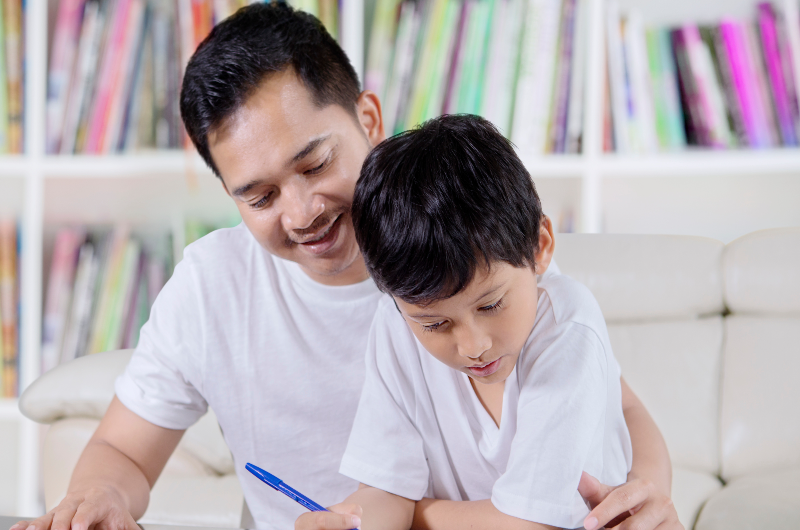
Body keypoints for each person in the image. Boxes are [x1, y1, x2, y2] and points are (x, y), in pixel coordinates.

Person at [11, 5, 678, 530]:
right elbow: (123, 451)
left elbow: (614, 405)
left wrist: (648, 491)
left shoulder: (476, 250)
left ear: (368, 118)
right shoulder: (214, 288)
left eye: (315, 163)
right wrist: (95, 497)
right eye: (261, 196)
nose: (302, 212)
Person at [298, 114, 639, 530]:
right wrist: (355, 522)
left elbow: (530, 524)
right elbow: (386, 489)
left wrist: (419, 512)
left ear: (541, 246)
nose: (473, 346)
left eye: (491, 306)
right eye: (436, 325)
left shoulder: (567, 328)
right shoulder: (395, 326)